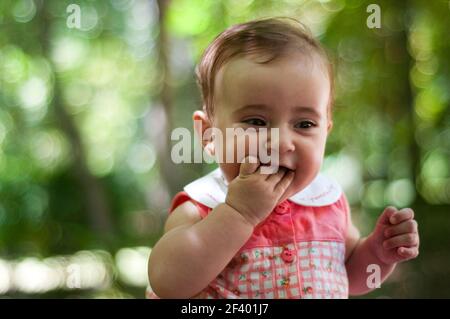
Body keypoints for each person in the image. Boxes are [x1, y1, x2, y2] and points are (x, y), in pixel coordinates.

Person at [147, 17, 420, 299]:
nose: (281, 143)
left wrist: (378, 253)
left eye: (304, 124)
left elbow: (348, 277)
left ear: (325, 132)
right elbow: (168, 284)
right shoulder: (202, 206)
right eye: (256, 121)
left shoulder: (326, 203)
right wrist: (238, 214)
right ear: (208, 135)